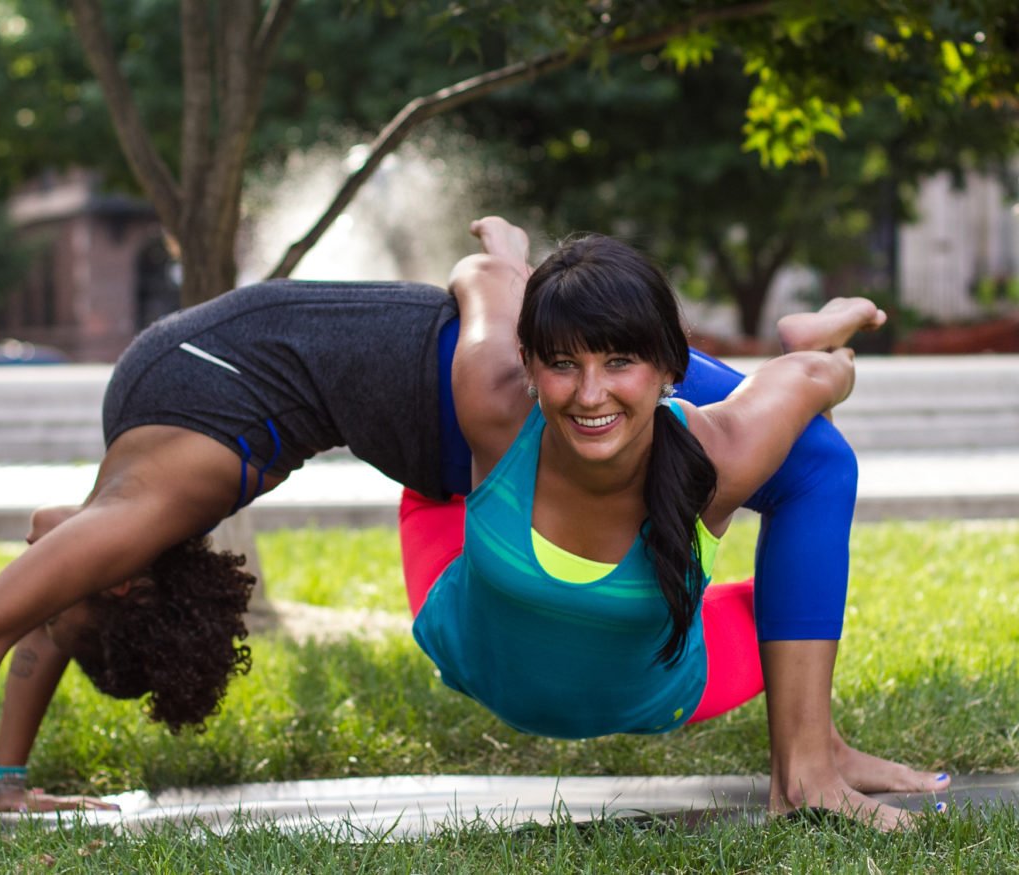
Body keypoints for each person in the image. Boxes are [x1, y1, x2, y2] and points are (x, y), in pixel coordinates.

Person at [0, 220, 938, 828]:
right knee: (764, 435)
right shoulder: (124, 520)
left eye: (78, 590)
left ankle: (810, 751)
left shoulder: (158, 501)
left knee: (799, 452)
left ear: (121, 578)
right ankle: (808, 734)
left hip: (457, 381)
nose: (60, 612)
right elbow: (40, 608)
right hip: (329, 382)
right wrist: (3, 783)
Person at [400, 217, 947, 829]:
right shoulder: (495, 399)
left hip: (663, 688)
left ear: (671, 366)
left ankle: (808, 769)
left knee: (808, 512)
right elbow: (481, 278)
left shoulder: (719, 455)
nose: (588, 395)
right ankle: (588, 336)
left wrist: (829, 356)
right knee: (439, 476)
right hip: (468, 639)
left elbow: (815, 378)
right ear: (527, 362)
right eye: (562, 363)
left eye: (619, 362)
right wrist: (508, 257)